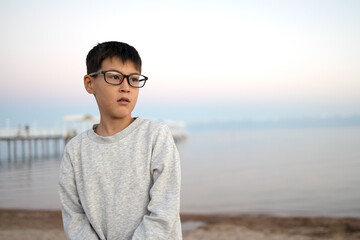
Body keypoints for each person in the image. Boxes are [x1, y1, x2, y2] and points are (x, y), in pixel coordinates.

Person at [58, 41, 182, 240]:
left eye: (133, 79)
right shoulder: (75, 151)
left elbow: (164, 210)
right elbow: (74, 218)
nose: (126, 87)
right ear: (90, 83)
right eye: (115, 77)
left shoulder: (156, 136)